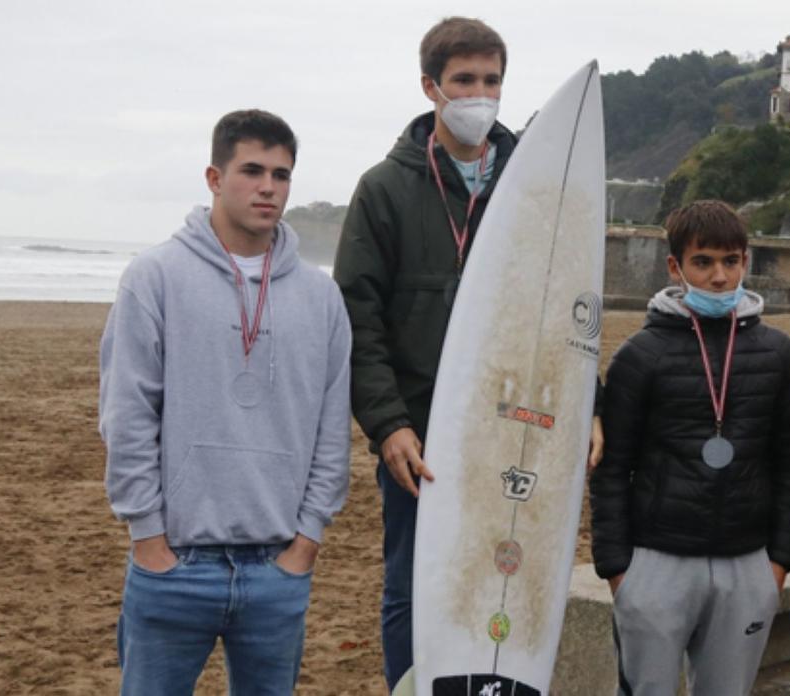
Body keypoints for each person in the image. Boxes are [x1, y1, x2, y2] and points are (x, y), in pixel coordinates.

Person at [332, 17, 602, 689]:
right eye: (464, 81)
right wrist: (388, 425)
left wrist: (585, 405)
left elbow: (569, 306)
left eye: (491, 80)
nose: (480, 94)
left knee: (508, 574)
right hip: (423, 440)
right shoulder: (385, 189)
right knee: (415, 584)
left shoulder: (535, 187)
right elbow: (357, 320)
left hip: (517, 428)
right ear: (431, 87)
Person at [99, 109, 352, 695]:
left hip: (277, 566)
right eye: (252, 171)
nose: (269, 188)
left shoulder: (320, 296)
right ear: (214, 178)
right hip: (175, 564)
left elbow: (331, 426)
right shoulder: (155, 276)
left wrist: (307, 540)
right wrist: (148, 536)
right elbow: (127, 413)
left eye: (281, 175)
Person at [590, 200, 790, 695]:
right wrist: (618, 572)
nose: (719, 277)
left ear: (745, 261)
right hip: (656, 561)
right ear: (676, 267)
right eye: (703, 262)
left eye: (731, 261)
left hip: (747, 563)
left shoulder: (778, 353)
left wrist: (779, 563)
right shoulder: (639, 355)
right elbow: (611, 471)